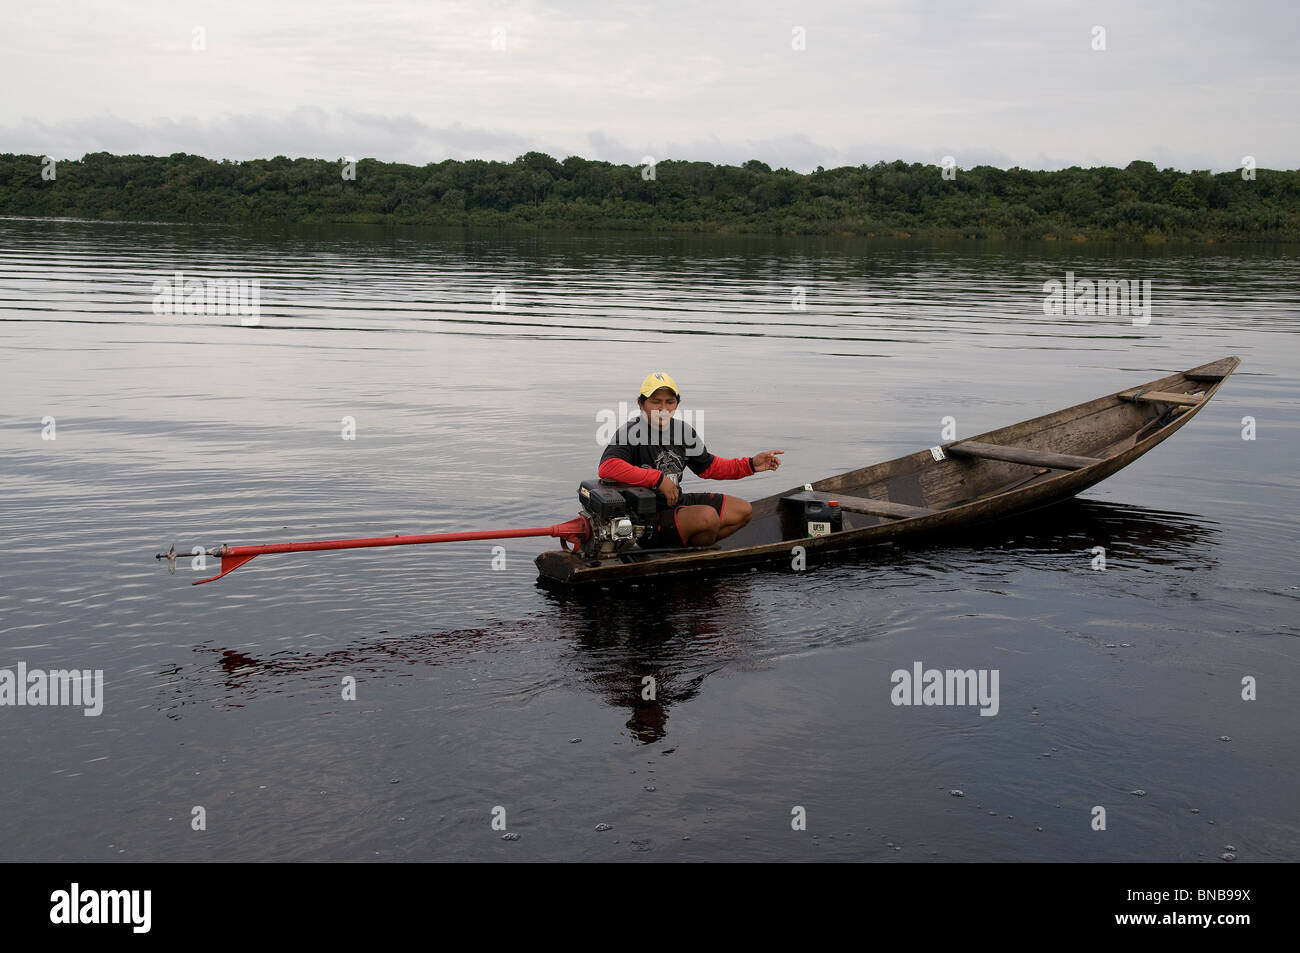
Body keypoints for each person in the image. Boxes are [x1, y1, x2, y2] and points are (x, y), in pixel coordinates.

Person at [597, 371, 784, 547]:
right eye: (656, 402)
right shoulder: (631, 432)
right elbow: (608, 467)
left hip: (676, 503)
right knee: (707, 518)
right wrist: (657, 478)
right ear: (641, 404)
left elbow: (709, 467)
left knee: (743, 511)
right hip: (645, 518)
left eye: (669, 402)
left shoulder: (683, 432)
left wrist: (750, 464)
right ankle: (688, 548)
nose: (663, 408)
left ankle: (689, 549)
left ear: (676, 404)